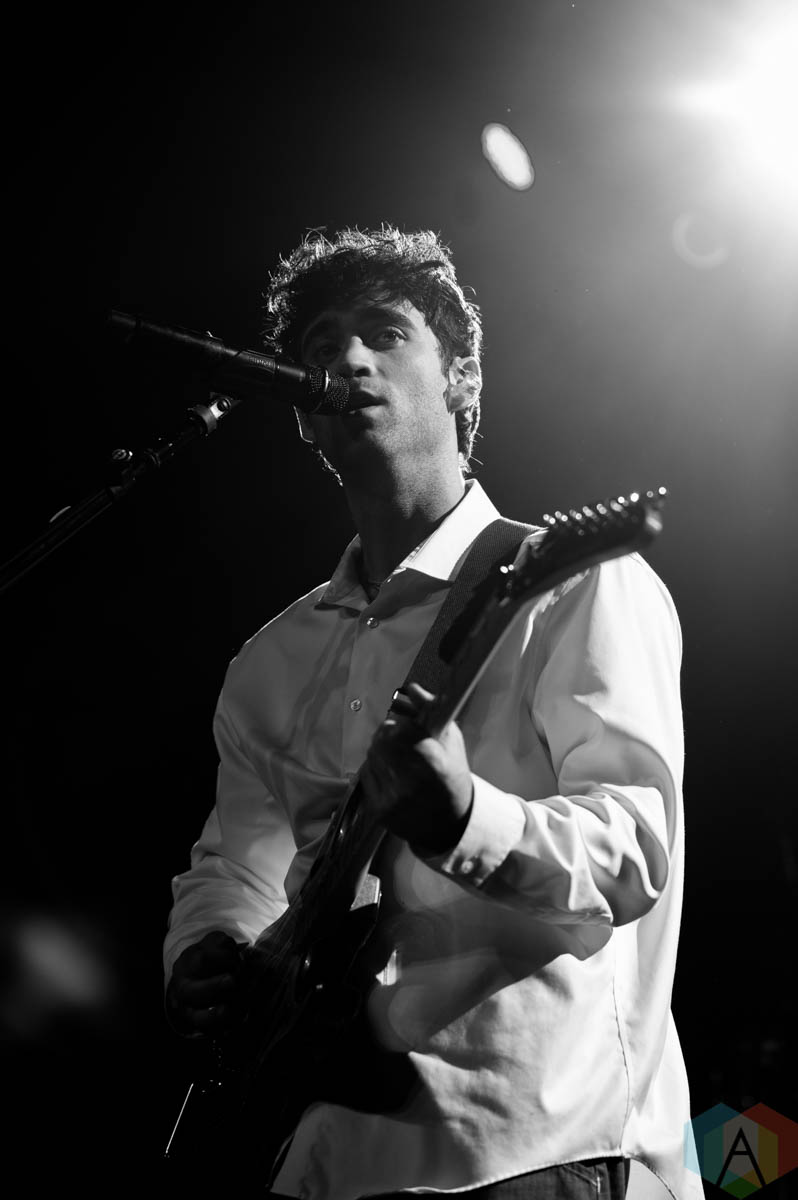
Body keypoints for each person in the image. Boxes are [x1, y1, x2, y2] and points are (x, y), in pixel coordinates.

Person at [164, 226, 702, 1199]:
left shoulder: (577, 583)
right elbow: (235, 865)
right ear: (305, 419)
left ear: (461, 378)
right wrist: (208, 950)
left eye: (383, 333)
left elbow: (633, 850)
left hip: (533, 1145)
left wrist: (464, 818)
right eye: (321, 346)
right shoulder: (268, 662)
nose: (347, 359)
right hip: (316, 1159)